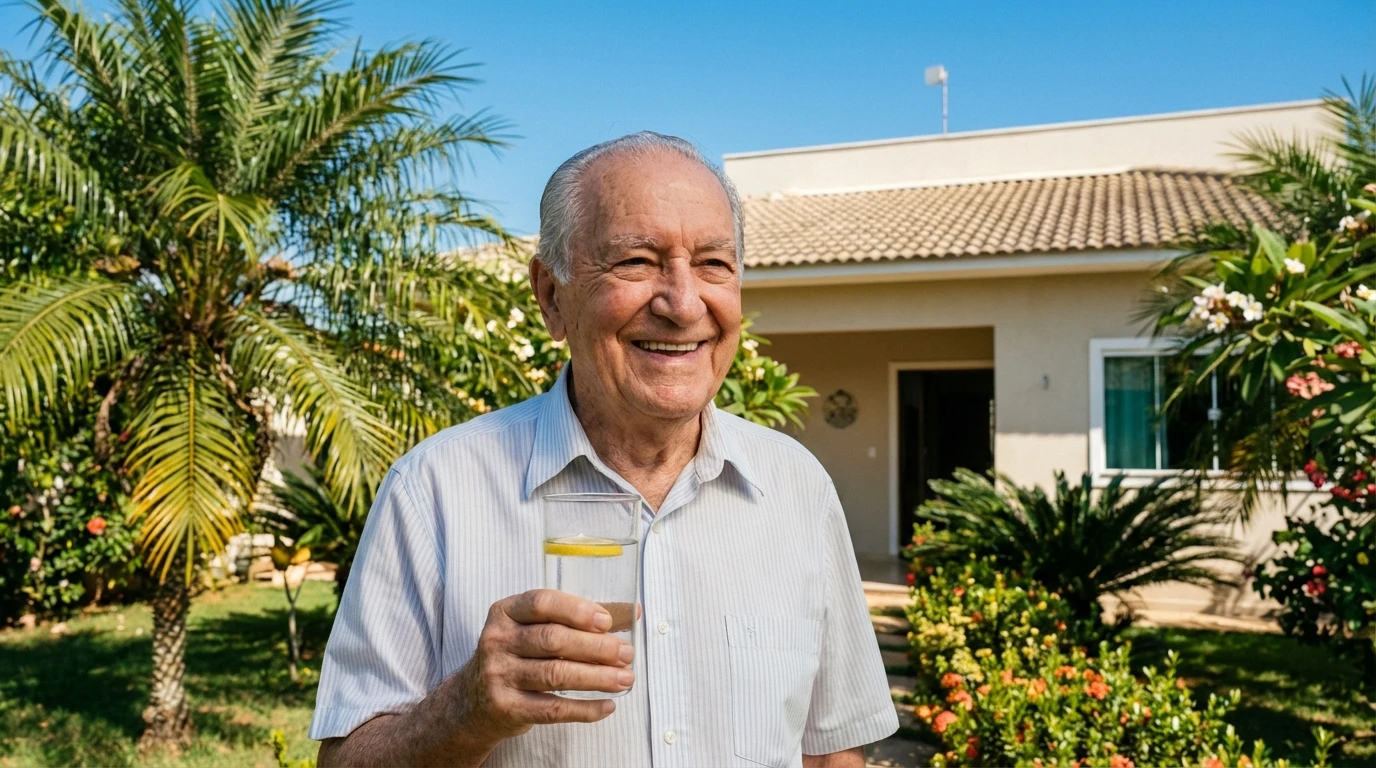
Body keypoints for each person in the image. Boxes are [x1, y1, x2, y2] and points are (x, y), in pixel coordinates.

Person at [311, 132, 897, 767]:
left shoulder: (797, 488)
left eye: (713, 264)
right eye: (636, 262)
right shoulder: (435, 489)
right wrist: (467, 709)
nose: (683, 303)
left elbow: (832, 749)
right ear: (552, 298)